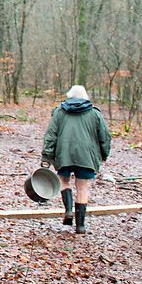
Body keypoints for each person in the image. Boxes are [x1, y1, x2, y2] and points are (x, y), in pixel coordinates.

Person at [41, 85, 111, 234]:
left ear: (69, 96)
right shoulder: (94, 113)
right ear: (85, 97)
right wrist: (104, 154)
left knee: (63, 181)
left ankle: (68, 211)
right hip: (86, 155)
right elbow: (104, 137)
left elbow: (50, 135)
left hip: (64, 153)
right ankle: (80, 226)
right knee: (82, 186)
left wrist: (46, 155)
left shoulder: (59, 112)